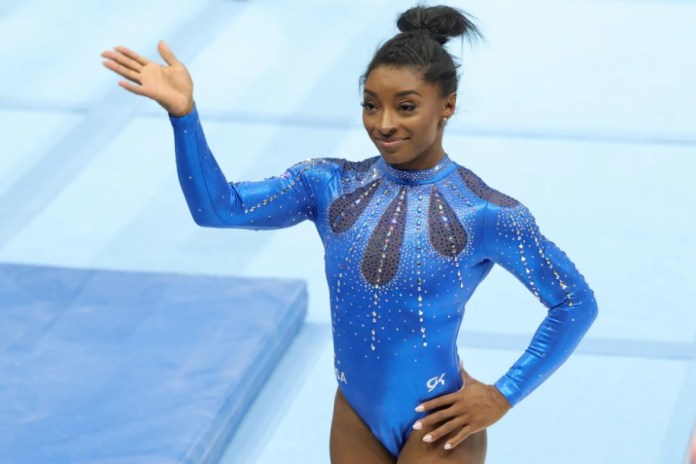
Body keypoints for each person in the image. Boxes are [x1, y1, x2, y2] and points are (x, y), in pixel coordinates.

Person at [101, 4, 598, 463]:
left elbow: (575, 302)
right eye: (370, 105)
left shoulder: (485, 213)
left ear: (446, 106)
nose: (383, 124)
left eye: (406, 107)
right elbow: (218, 209)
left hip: (439, 422)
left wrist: (503, 393)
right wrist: (183, 114)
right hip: (356, 410)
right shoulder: (328, 184)